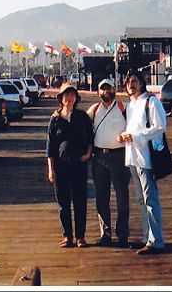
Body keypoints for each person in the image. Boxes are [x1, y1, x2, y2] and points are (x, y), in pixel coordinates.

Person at [119, 69, 167, 255]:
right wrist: (124, 137)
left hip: (147, 157)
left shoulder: (151, 101)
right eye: (128, 81)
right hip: (132, 156)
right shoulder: (131, 105)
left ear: (141, 83)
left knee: (151, 199)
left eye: (135, 81)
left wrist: (135, 136)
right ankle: (147, 238)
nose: (131, 84)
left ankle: (156, 241)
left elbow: (160, 126)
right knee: (141, 200)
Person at [46, 82, 93, 248]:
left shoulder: (82, 117)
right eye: (66, 95)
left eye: (72, 94)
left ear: (76, 97)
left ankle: (80, 236)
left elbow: (90, 137)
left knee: (80, 202)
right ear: (61, 98)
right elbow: (50, 147)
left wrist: (87, 154)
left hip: (79, 165)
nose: (69, 97)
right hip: (61, 167)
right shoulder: (55, 119)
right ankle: (68, 236)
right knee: (63, 203)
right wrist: (51, 170)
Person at [86, 78, 130, 247]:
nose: (106, 92)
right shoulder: (94, 110)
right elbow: (79, 122)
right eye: (102, 89)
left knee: (122, 197)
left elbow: (138, 123)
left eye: (109, 88)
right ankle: (105, 234)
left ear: (114, 90)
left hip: (119, 156)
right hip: (99, 158)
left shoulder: (123, 107)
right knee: (101, 198)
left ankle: (122, 235)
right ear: (99, 92)